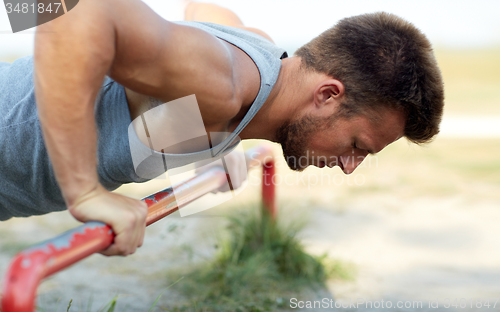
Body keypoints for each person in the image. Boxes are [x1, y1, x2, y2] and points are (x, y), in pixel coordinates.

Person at [0, 1, 444, 256]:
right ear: (328, 95)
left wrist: (214, 144)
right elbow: (76, 14)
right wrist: (84, 192)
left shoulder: (258, 66)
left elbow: (205, 9)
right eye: (356, 146)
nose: (350, 168)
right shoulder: (223, 86)